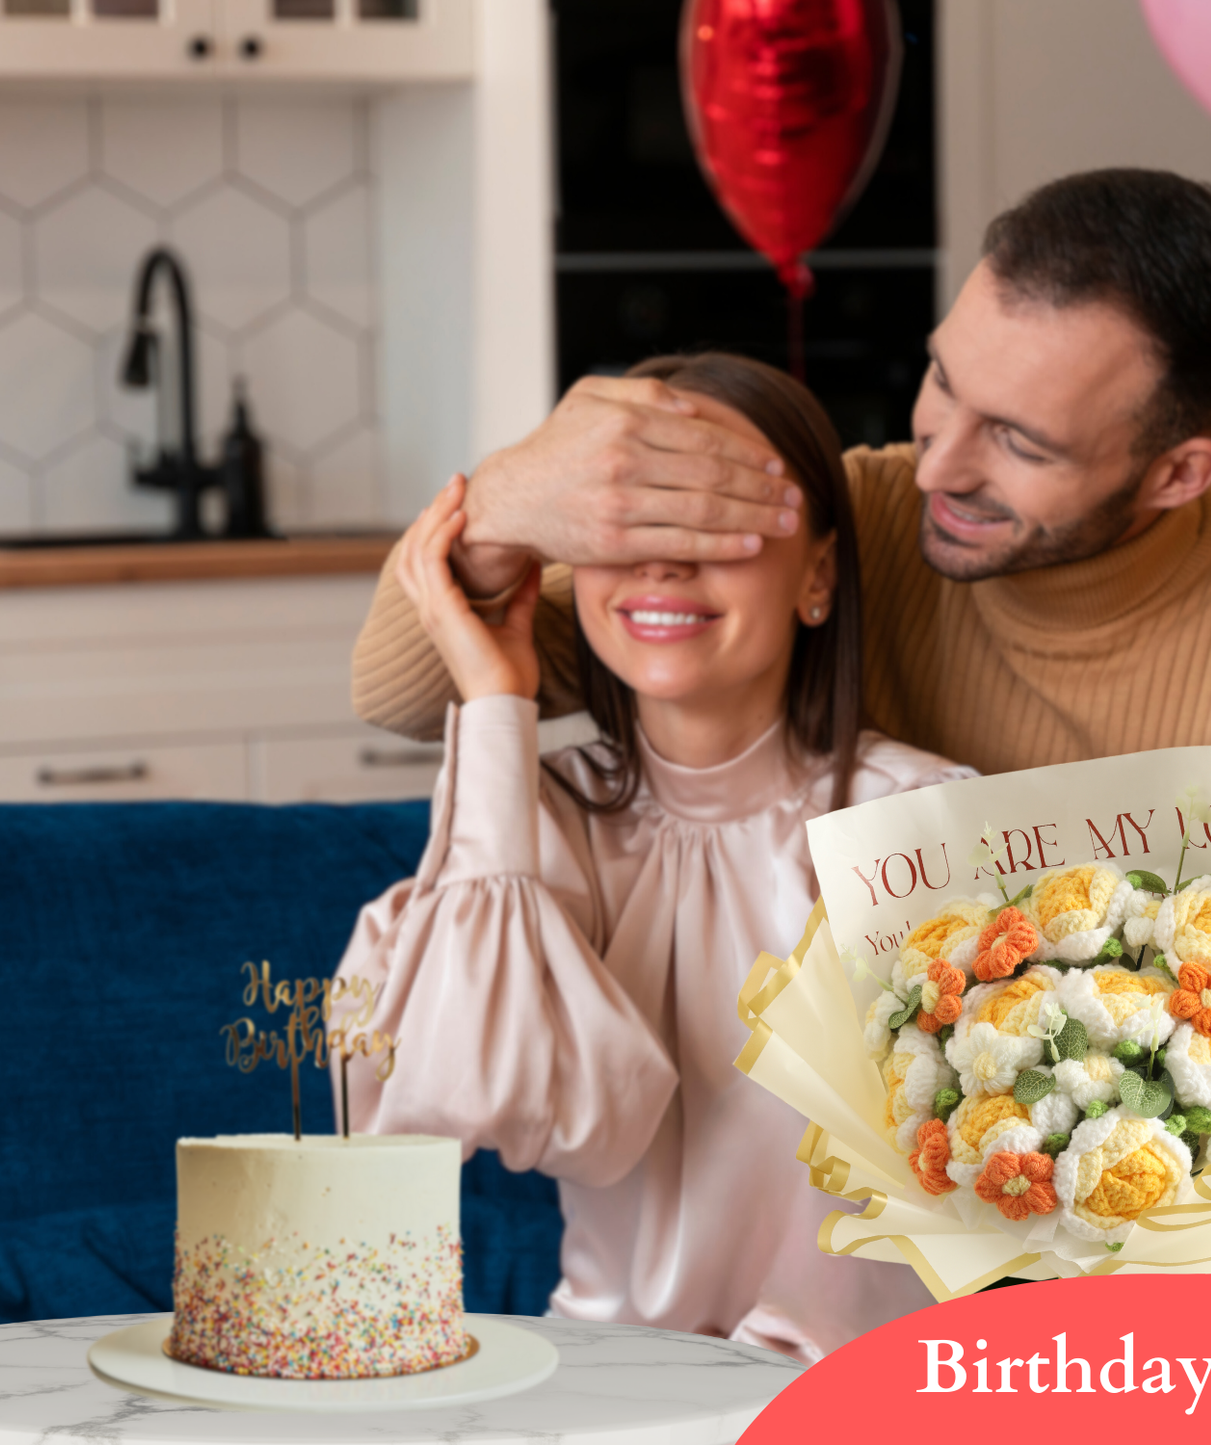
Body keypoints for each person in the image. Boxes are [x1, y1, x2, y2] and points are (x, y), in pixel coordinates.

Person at [351, 169, 1211, 1271]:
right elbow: (403, 688)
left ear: (1173, 473)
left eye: (1020, 441)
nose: (940, 461)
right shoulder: (856, 519)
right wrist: (503, 504)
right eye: (941, 382)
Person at [335, 353, 974, 1361]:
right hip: (607, 1390)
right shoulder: (540, 817)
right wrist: (493, 704)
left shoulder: (930, 829)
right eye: (627, 526)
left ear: (817, 574)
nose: (664, 564)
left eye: (718, 524)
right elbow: (467, 1089)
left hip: (851, 1397)